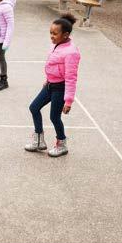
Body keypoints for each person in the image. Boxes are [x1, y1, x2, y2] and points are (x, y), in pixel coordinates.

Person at [25, 13, 81, 157]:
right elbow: (53, 65)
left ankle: (61, 144)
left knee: (54, 117)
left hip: (60, 88)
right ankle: (39, 141)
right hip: (50, 84)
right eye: (50, 32)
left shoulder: (71, 52)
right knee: (34, 107)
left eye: (55, 33)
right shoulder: (55, 45)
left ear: (65, 34)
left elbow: (71, 77)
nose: (51, 36)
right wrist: (48, 78)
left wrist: (68, 101)